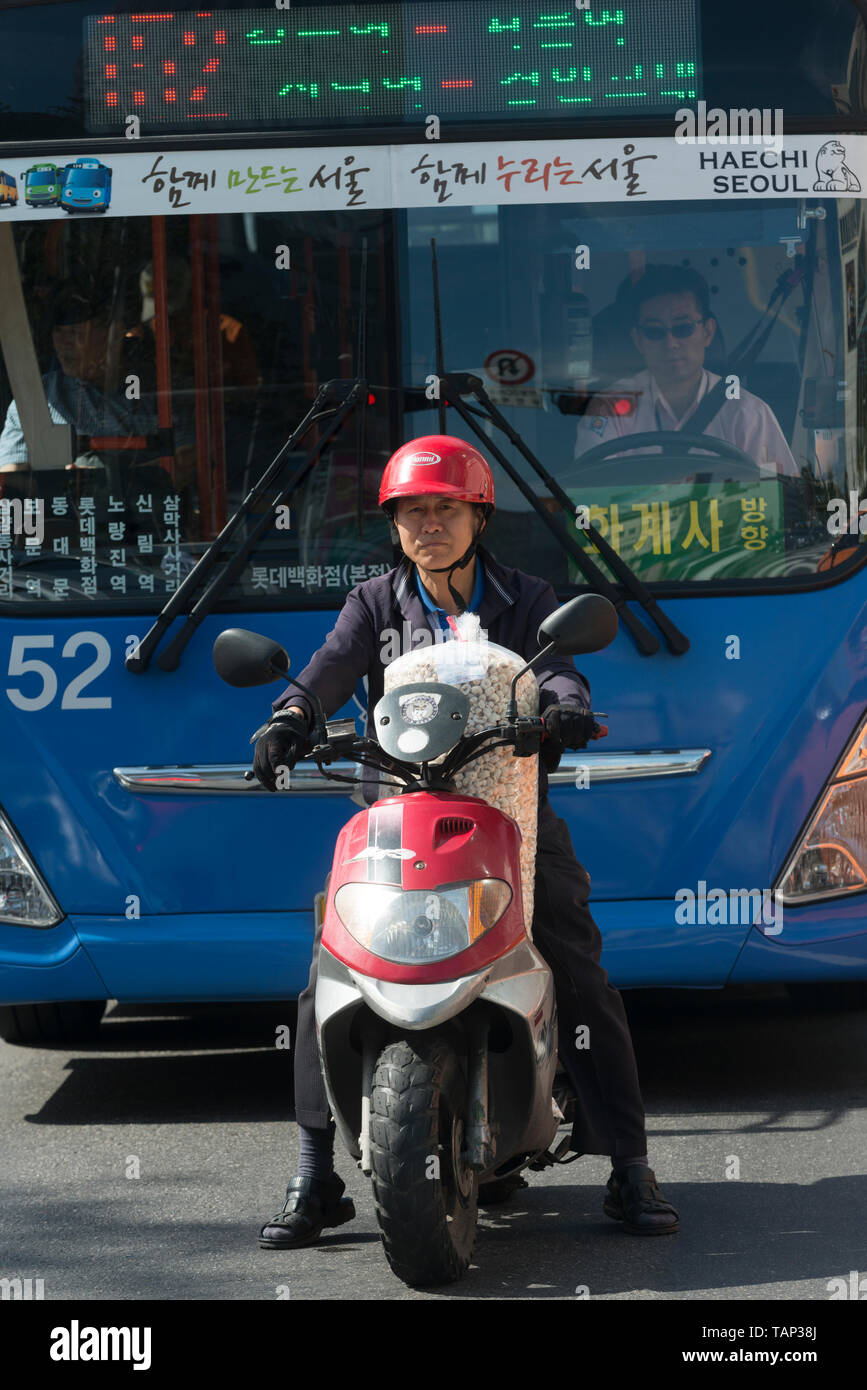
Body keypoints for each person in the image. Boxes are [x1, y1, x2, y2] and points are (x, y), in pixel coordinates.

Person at [252, 434, 680, 1248]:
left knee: (578, 970)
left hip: (514, 818)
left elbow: (557, 669)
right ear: (395, 526)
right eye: (413, 513)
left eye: (445, 509)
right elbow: (330, 669)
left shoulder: (525, 597)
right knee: (325, 977)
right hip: (398, 816)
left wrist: (563, 707)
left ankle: (628, 1166)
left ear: (478, 517)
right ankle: (315, 1175)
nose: (429, 525)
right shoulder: (374, 602)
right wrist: (290, 719)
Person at [573, 264, 799, 476]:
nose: (670, 343)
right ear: (638, 340)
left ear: (708, 333)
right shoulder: (609, 408)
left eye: (683, 328)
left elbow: (782, 499)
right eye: (654, 332)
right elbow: (591, 493)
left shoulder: (748, 415)